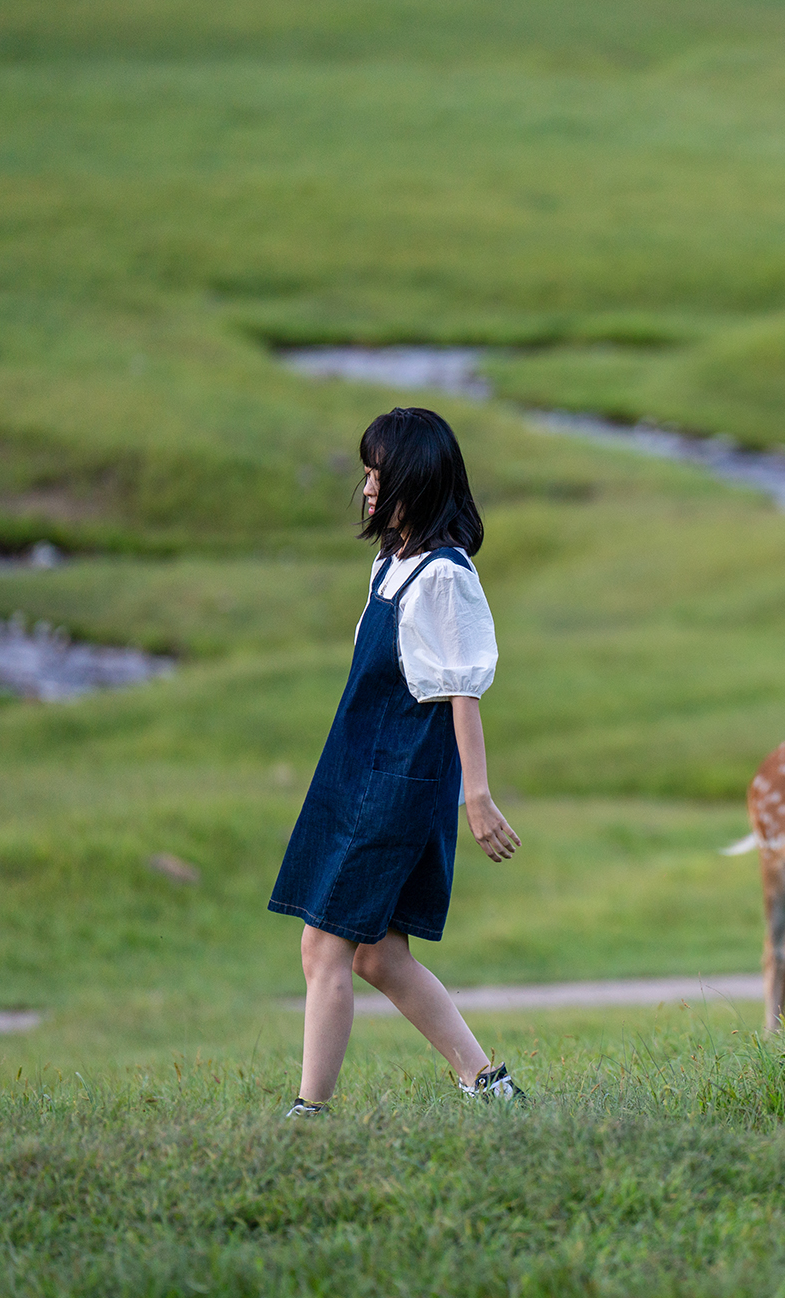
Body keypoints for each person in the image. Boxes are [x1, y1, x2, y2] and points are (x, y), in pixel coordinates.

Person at [270, 407, 523, 1117]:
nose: (368, 485)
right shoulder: (391, 562)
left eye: (378, 471)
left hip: (393, 783)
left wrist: (478, 794)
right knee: (376, 953)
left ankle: (309, 1115)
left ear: (415, 476)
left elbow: (461, 690)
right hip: (355, 770)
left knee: (324, 946)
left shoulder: (445, 576)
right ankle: (489, 1088)